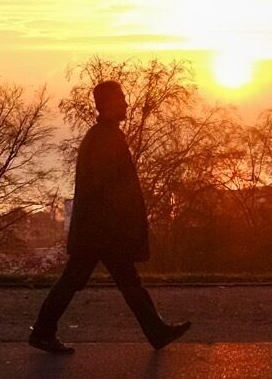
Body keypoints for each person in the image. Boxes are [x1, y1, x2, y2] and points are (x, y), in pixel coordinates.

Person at [30, 78, 190, 353]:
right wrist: (121, 226)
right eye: (121, 99)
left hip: (98, 231)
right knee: (109, 282)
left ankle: (156, 331)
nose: (127, 104)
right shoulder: (106, 139)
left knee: (113, 282)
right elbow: (109, 189)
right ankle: (44, 331)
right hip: (102, 232)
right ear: (107, 105)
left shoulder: (102, 136)